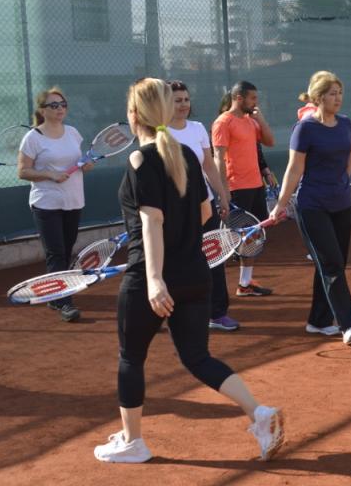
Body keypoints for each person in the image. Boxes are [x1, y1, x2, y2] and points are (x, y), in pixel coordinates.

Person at [94, 78, 283, 464]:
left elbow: (151, 222)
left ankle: (134, 442)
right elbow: (204, 213)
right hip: (197, 274)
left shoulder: (139, 160)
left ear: (134, 116)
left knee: (131, 357)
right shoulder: (184, 154)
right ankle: (259, 414)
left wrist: (153, 278)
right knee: (197, 357)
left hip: (154, 276)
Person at [269, 71, 351, 345]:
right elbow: (294, 168)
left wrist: (343, 183)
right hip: (312, 206)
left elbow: (349, 158)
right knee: (332, 264)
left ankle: (317, 321)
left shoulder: (345, 124)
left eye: (340, 93)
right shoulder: (305, 128)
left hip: (342, 204)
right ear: (318, 97)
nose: (338, 98)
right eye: (332, 94)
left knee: (334, 264)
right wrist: (281, 205)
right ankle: (348, 324)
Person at [16, 88, 93, 322]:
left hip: (73, 201)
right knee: (56, 253)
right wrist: (49, 174)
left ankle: (54, 295)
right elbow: (22, 171)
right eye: (54, 105)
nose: (60, 108)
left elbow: (79, 161)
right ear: (42, 110)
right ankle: (64, 301)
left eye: (62, 104)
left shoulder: (73, 133)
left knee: (66, 250)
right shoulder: (33, 138)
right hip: (46, 203)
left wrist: (85, 165)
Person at [167, 81, 237, 332]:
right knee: (176, 261)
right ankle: (168, 310)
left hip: (204, 204)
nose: (184, 104)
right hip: (174, 210)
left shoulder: (196, 128)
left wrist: (222, 195)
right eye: (177, 100)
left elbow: (208, 165)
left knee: (214, 256)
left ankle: (217, 313)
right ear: (165, 103)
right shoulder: (159, 132)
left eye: (186, 99)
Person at [212, 81, 275, 298]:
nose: (255, 103)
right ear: (239, 98)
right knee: (231, 240)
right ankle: (212, 292)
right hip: (236, 189)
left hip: (256, 187)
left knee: (254, 236)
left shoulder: (250, 121)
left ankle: (245, 284)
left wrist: (261, 119)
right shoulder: (223, 122)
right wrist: (223, 191)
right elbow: (218, 158)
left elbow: (270, 141)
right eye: (253, 99)